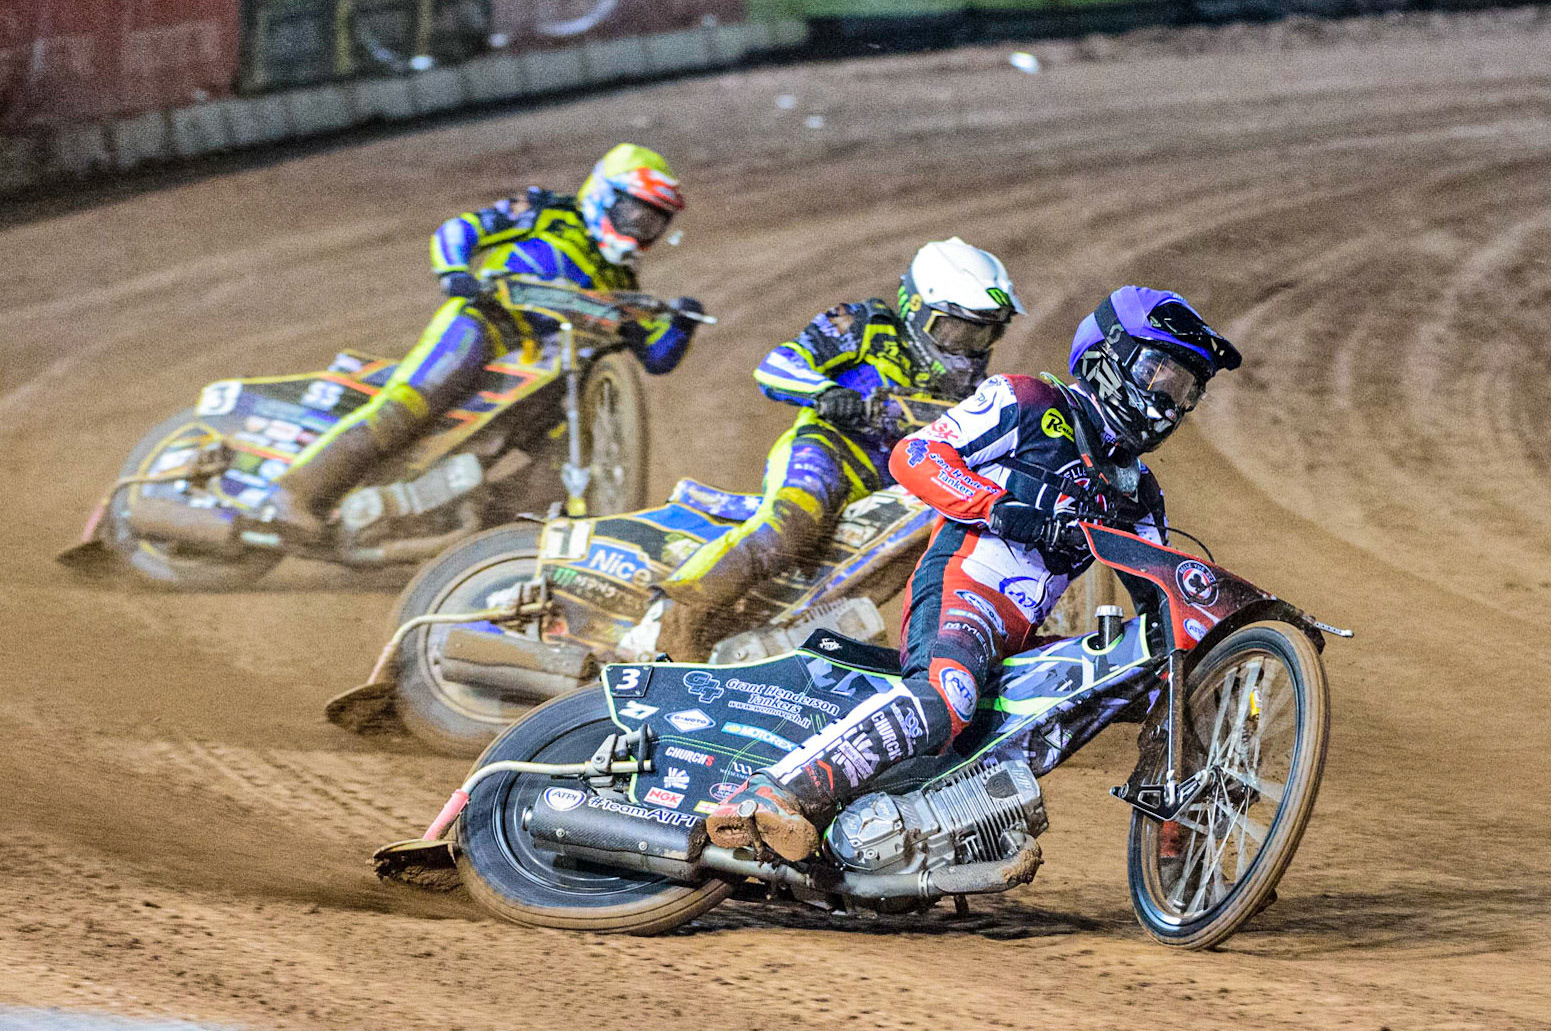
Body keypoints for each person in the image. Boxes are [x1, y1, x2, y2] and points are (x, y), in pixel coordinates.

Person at [706, 285, 1242, 861]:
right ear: (1107, 355)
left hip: (1022, 636)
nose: (1172, 401)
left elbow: (1163, 604)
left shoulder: (1140, 493)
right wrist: (996, 507)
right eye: (1162, 374)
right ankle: (771, 795)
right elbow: (915, 455)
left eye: (1187, 389)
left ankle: (1183, 851)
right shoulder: (1029, 400)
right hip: (964, 587)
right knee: (950, 696)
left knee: (1183, 669)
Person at [618, 237, 1024, 663]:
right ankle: (669, 613)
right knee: (791, 526)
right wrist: (827, 392)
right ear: (917, 309)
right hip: (829, 451)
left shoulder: (977, 390)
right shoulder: (865, 324)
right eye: (956, 329)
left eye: (983, 333)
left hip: (900, 485)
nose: (966, 347)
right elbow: (775, 365)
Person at [264, 143, 701, 538]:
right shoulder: (547, 212)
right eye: (634, 213)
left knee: (561, 465)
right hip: (486, 326)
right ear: (605, 196)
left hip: (546, 376)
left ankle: (465, 532)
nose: (642, 227)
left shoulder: (621, 282)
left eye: (653, 221)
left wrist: (683, 321)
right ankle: (293, 492)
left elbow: (656, 358)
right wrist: (455, 272)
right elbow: (462, 230)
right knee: (414, 402)